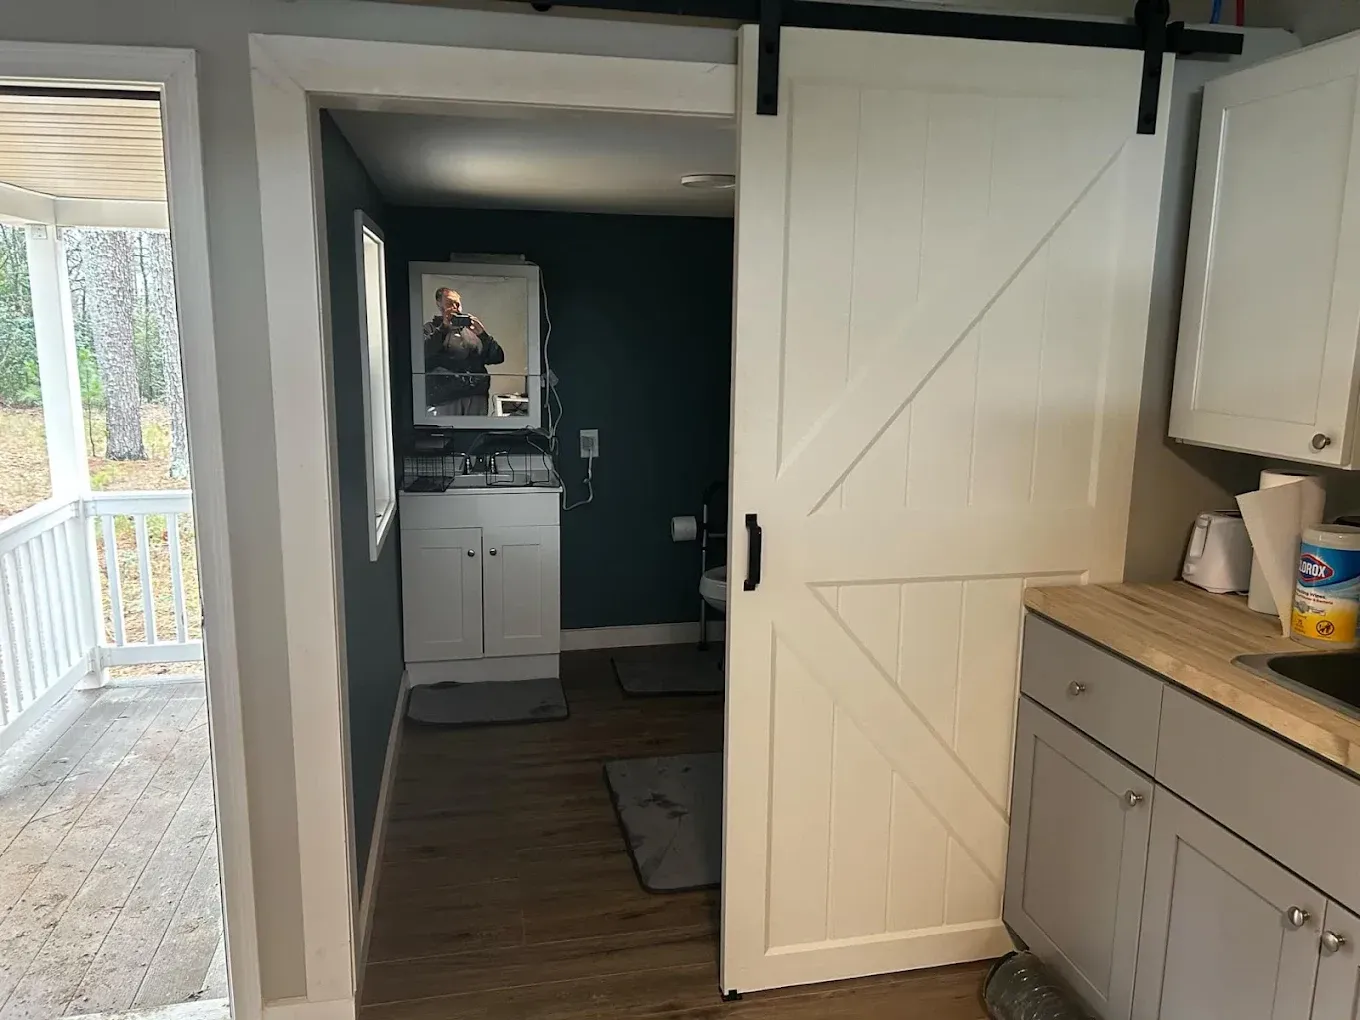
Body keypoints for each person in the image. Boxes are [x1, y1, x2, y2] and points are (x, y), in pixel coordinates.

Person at [422, 287, 505, 416]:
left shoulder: (472, 331)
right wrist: (444, 328)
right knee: (446, 434)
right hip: (444, 398)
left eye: (458, 304)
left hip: (476, 395)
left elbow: (497, 357)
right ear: (439, 305)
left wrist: (483, 335)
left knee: (475, 435)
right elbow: (422, 354)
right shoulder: (430, 329)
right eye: (450, 303)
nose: (455, 307)